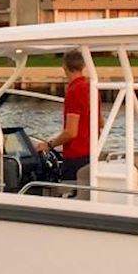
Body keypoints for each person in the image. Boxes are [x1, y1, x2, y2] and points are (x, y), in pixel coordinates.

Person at [35, 50, 95, 180]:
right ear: (83, 66)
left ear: (64, 66)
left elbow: (71, 132)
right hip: (92, 155)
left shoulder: (74, 91)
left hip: (76, 158)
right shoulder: (91, 87)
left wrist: (49, 145)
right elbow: (100, 122)